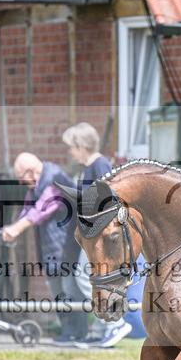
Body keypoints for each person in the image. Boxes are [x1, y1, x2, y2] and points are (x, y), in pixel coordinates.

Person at [60, 123, 131, 348]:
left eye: (71, 147)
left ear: (82, 146)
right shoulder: (90, 166)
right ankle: (100, 330)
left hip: (98, 235)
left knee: (84, 275)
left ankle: (114, 324)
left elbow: (107, 202)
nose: (69, 151)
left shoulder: (99, 165)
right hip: (92, 233)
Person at [1, 152, 83, 346]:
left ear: (32, 171)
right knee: (56, 290)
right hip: (51, 247)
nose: (21, 182)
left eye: (22, 177)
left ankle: (76, 332)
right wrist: (13, 227)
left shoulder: (54, 178)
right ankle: (67, 330)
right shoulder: (37, 183)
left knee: (69, 288)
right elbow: (28, 209)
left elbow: (41, 210)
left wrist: (17, 228)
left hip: (67, 245)